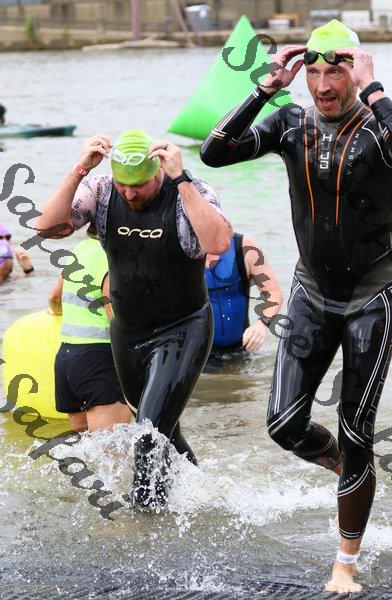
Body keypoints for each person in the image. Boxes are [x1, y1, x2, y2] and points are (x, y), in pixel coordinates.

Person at [201, 18, 392, 594]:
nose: (323, 85)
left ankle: (345, 564)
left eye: (336, 72)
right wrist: (264, 89)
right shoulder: (289, 123)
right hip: (312, 292)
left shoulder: (379, 127)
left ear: (356, 71)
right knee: (284, 425)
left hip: (374, 296)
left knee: (356, 430)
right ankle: (349, 473)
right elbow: (214, 153)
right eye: (314, 73)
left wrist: (376, 90)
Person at [36, 128, 232, 508]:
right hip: (127, 334)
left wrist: (181, 179)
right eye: (123, 185)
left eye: (138, 185)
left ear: (157, 170)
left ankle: (145, 519)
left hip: (182, 329)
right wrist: (79, 169)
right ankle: (205, 499)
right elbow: (46, 227)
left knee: (147, 432)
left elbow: (218, 242)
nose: (129, 194)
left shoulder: (189, 191)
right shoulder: (101, 190)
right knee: (162, 430)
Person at [48, 223, 132, 433]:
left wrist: (57, 313)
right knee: (111, 449)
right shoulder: (112, 256)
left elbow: (54, 297)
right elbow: (115, 319)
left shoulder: (79, 250)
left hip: (66, 358)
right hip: (100, 361)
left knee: (83, 445)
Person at [205, 231, 282, 356]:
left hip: (241, 350)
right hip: (197, 354)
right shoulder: (181, 254)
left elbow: (274, 293)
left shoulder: (244, 246)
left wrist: (263, 323)